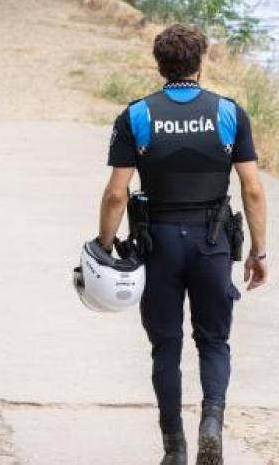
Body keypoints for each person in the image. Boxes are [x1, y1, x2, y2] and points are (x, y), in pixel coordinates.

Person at [98, 24, 269, 465]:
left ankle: (174, 448)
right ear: (200, 62)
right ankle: (211, 421)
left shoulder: (137, 115)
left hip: (159, 246)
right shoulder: (228, 112)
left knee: (166, 346)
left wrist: (102, 245)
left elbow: (117, 193)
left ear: (160, 64)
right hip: (212, 244)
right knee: (214, 342)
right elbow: (252, 188)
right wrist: (258, 250)